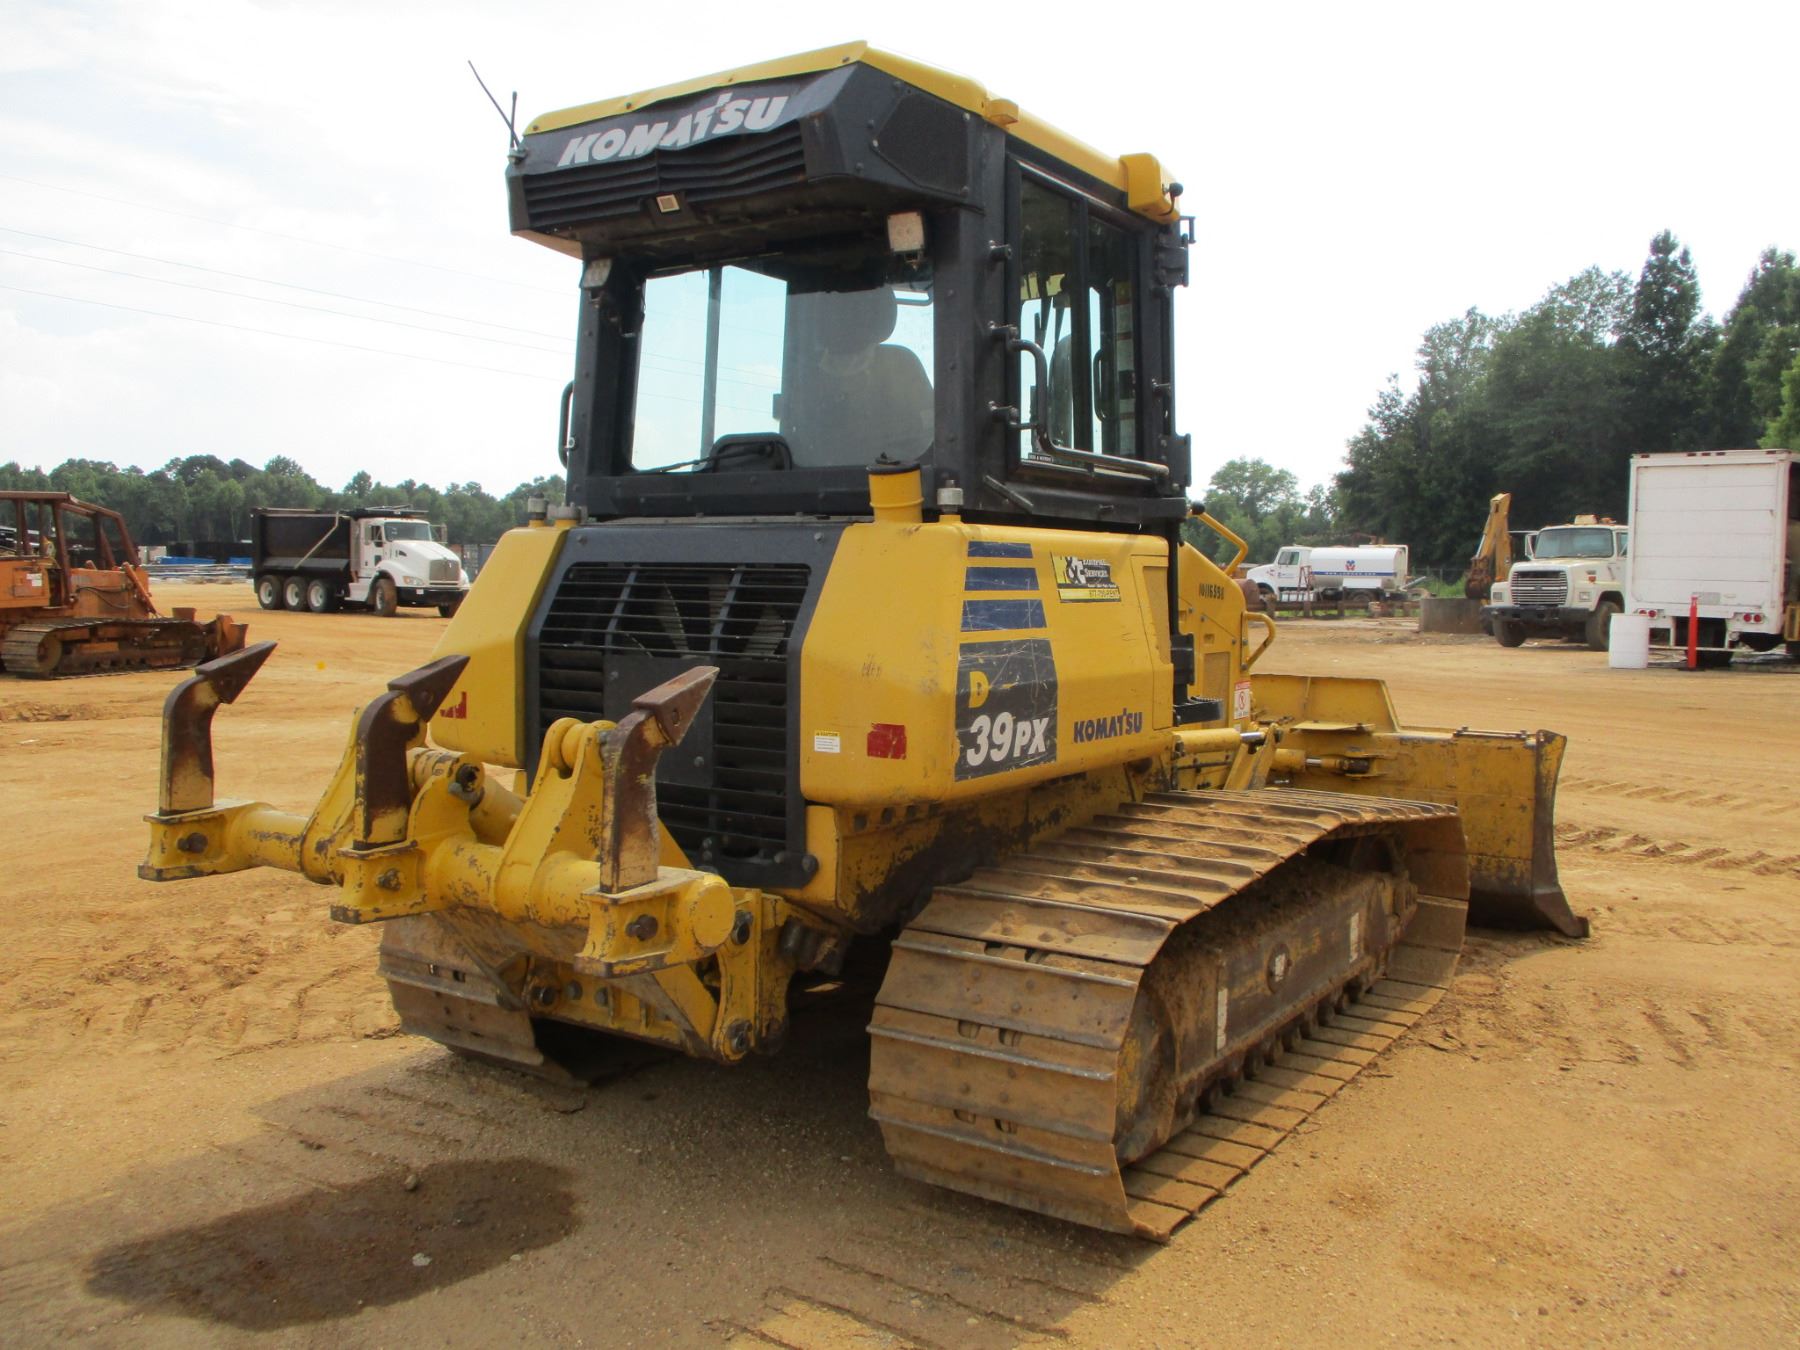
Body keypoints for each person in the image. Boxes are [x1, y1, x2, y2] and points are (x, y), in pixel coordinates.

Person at [791, 287, 932, 464]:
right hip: (817, 479)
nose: (845, 317)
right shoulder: (808, 376)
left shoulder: (900, 364)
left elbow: (930, 427)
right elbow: (801, 441)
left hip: (898, 478)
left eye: (855, 309)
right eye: (837, 310)